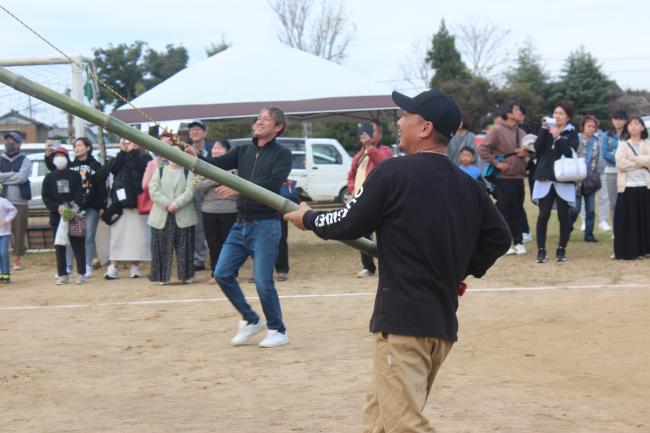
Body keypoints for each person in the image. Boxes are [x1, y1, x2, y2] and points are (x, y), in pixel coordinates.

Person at [284, 89, 511, 433]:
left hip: (405, 324)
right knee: (379, 422)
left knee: (403, 425)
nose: (399, 122)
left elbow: (348, 221)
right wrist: (458, 270)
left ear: (425, 128)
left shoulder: (394, 173)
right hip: (439, 326)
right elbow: (499, 238)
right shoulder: (468, 186)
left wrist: (309, 218)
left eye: (406, 116)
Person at [186, 106, 292, 348]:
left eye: (266, 119)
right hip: (241, 223)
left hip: (266, 225)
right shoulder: (243, 150)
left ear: (278, 127)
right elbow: (214, 165)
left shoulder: (282, 154)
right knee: (222, 273)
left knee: (263, 281)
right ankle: (251, 319)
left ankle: (278, 329)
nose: (259, 121)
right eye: (259, 118)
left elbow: (272, 184)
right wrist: (191, 154)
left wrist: (237, 187)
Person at [478, 100, 529, 256]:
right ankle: (507, 244)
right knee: (506, 211)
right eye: (517, 110)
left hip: (519, 176)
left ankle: (519, 241)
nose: (520, 112)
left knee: (518, 209)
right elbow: (483, 149)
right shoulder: (496, 130)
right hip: (503, 177)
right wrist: (496, 163)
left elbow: (530, 151)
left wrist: (526, 153)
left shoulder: (521, 132)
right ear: (508, 113)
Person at [532, 101, 579, 263]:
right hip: (545, 176)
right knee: (543, 214)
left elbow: (569, 152)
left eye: (561, 114)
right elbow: (537, 148)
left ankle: (561, 249)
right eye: (555, 113)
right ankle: (541, 250)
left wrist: (558, 137)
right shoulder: (546, 128)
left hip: (564, 178)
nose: (557, 116)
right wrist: (544, 131)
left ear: (568, 117)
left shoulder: (572, 133)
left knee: (563, 216)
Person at [346, 120, 392, 277]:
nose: (368, 134)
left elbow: (384, 164)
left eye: (372, 131)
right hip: (361, 199)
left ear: (379, 134)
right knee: (362, 234)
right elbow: (351, 174)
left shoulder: (385, 150)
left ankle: (388, 265)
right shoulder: (359, 155)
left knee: (384, 235)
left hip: (381, 199)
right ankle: (368, 266)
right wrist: (352, 190)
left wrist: (370, 147)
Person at [148, 141, 197, 284]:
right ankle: (161, 276)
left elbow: (189, 192)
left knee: (185, 247)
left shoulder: (188, 172)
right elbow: (153, 190)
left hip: (183, 214)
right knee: (161, 247)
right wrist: (167, 203)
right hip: (162, 214)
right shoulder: (160, 170)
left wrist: (176, 203)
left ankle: (186, 275)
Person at [104, 138, 152, 279]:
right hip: (120, 204)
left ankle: (135, 266)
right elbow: (114, 169)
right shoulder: (119, 157)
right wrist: (123, 152)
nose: (129, 143)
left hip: (139, 203)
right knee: (117, 236)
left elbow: (141, 167)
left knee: (138, 237)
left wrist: (134, 152)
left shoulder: (145, 157)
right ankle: (113, 266)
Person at [193, 139, 238, 283]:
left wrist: (224, 180)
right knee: (213, 244)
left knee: (230, 244)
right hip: (209, 210)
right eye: (214, 148)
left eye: (219, 148)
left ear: (227, 152)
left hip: (230, 210)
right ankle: (215, 273)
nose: (215, 150)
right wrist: (215, 180)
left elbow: (240, 185)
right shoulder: (206, 167)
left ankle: (232, 274)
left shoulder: (235, 168)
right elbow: (196, 186)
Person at [41, 147, 85, 284]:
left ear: (67, 158)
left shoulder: (75, 175)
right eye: (56, 156)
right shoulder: (49, 177)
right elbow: (46, 196)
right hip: (56, 217)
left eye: (62, 155)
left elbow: (79, 193)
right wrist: (57, 207)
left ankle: (81, 272)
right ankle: (62, 274)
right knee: (59, 246)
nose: (59, 158)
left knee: (78, 244)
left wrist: (71, 207)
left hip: (74, 215)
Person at [65, 137, 107, 277]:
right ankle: (68, 266)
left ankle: (87, 265)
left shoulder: (95, 165)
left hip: (91, 206)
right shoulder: (70, 166)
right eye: (75, 146)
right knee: (72, 236)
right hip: (73, 207)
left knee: (89, 236)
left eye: (80, 145)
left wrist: (102, 205)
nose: (77, 148)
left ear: (88, 148)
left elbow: (102, 186)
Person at [613, 117, 650, 259]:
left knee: (645, 220)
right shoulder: (623, 145)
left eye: (637, 124)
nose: (633, 127)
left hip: (645, 186)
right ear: (627, 128)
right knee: (629, 220)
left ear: (642, 128)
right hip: (627, 187)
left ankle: (645, 249)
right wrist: (640, 162)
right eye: (631, 124)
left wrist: (634, 159)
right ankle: (630, 251)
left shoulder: (647, 143)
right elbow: (620, 164)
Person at [0, 132, 32, 271]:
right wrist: (11, 174)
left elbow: (22, 178)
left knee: (18, 230)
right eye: (6, 140)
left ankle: (17, 259)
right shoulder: (1, 158)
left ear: (18, 144)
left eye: (11, 140)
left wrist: (3, 178)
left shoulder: (25, 160)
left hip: (20, 200)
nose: (8, 142)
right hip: (2, 200)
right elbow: (16, 177)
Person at [571, 115, 602, 242]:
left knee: (590, 210)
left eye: (593, 126)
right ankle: (567, 227)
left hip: (591, 180)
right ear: (583, 126)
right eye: (588, 126)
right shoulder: (576, 138)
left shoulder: (597, 141)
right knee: (575, 209)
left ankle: (589, 235)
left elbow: (599, 160)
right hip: (577, 179)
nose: (591, 128)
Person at [188, 120, 212, 271]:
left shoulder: (212, 150)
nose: (195, 132)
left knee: (213, 228)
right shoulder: (185, 150)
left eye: (198, 129)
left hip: (211, 193)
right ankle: (199, 258)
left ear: (205, 133)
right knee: (197, 228)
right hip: (192, 193)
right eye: (192, 130)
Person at [601, 110, 627, 231]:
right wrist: (620, 158)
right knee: (614, 203)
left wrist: (618, 155)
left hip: (628, 172)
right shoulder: (606, 135)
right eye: (615, 119)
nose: (618, 121)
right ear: (612, 120)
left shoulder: (629, 134)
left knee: (628, 201)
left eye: (621, 119)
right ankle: (616, 230)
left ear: (625, 120)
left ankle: (628, 228)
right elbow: (605, 154)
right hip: (611, 172)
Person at [275, 177, 300, 281]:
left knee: (281, 238)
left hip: (278, 204)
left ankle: (282, 270)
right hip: (260, 206)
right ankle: (258, 271)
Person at [0, 185, 17, 282]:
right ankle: (1, 273)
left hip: (4, 233)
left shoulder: (3, 201)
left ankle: (6, 273)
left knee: (3, 252)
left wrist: (6, 221)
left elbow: (13, 210)